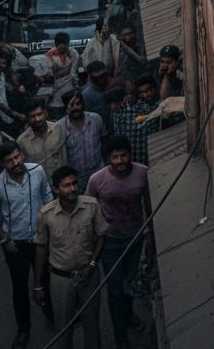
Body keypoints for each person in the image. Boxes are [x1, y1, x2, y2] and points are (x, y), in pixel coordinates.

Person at [0, 142, 53, 349]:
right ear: (2, 164)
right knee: (20, 288)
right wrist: (4, 239)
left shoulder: (37, 172)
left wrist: (49, 229)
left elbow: (48, 198)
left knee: (47, 279)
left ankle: (51, 312)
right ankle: (23, 330)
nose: (15, 163)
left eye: (17, 157)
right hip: (16, 245)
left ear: (21, 155)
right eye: (9, 160)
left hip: (40, 240)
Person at [86, 136, 150, 349]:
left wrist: (150, 237)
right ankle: (119, 333)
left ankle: (128, 313)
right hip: (109, 241)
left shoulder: (143, 173)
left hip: (135, 237)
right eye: (115, 157)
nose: (120, 160)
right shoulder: (97, 180)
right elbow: (89, 209)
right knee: (114, 289)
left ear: (130, 155)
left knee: (129, 284)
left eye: (124, 155)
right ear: (108, 159)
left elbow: (149, 206)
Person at [33, 167, 108, 349]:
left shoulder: (91, 206)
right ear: (56, 189)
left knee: (92, 325)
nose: (73, 189)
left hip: (89, 275)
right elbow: (41, 249)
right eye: (66, 185)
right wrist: (37, 285)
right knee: (63, 327)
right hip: (61, 279)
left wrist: (91, 264)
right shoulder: (46, 214)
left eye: (74, 183)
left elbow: (102, 235)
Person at [56, 91, 106, 188]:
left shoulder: (96, 119)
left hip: (98, 173)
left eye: (78, 104)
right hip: (75, 179)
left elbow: (104, 141)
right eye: (71, 105)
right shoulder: (59, 127)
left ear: (83, 104)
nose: (75, 108)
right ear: (66, 107)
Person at [112, 76, 161, 167]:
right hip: (130, 162)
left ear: (137, 94)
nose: (129, 96)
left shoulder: (146, 108)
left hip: (149, 158)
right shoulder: (118, 113)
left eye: (132, 93)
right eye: (127, 94)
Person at [17, 100, 68, 180]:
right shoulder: (22, 141)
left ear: (45, 113)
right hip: (38, 185)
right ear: (27, 118)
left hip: (60, 183)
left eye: (39, 114)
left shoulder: (58, 129)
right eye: (32, 116)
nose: (37, 119)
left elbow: (64, 158)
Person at [44, 33, 80, 114]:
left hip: (70, 88)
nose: (63, 52)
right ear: (56, 46)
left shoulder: (74, 54)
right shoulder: (49, 55)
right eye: (60, 50)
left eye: (65, 49)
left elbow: (73, 73)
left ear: (68, 45)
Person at [80, 62, 115, 133]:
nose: (101, 80)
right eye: (97, 78)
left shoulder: (114, 86)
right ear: (90, 78)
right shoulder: (86, 95)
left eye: (103, 76)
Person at [112, 27, 148, 94]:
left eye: (130, 34)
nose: (128, 37)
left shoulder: (142, 47)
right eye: (124, 35)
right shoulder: (117, 52)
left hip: (142, 82)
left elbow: (143, 61)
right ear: (120, 36)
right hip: (124, 85)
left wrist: (124, 46)